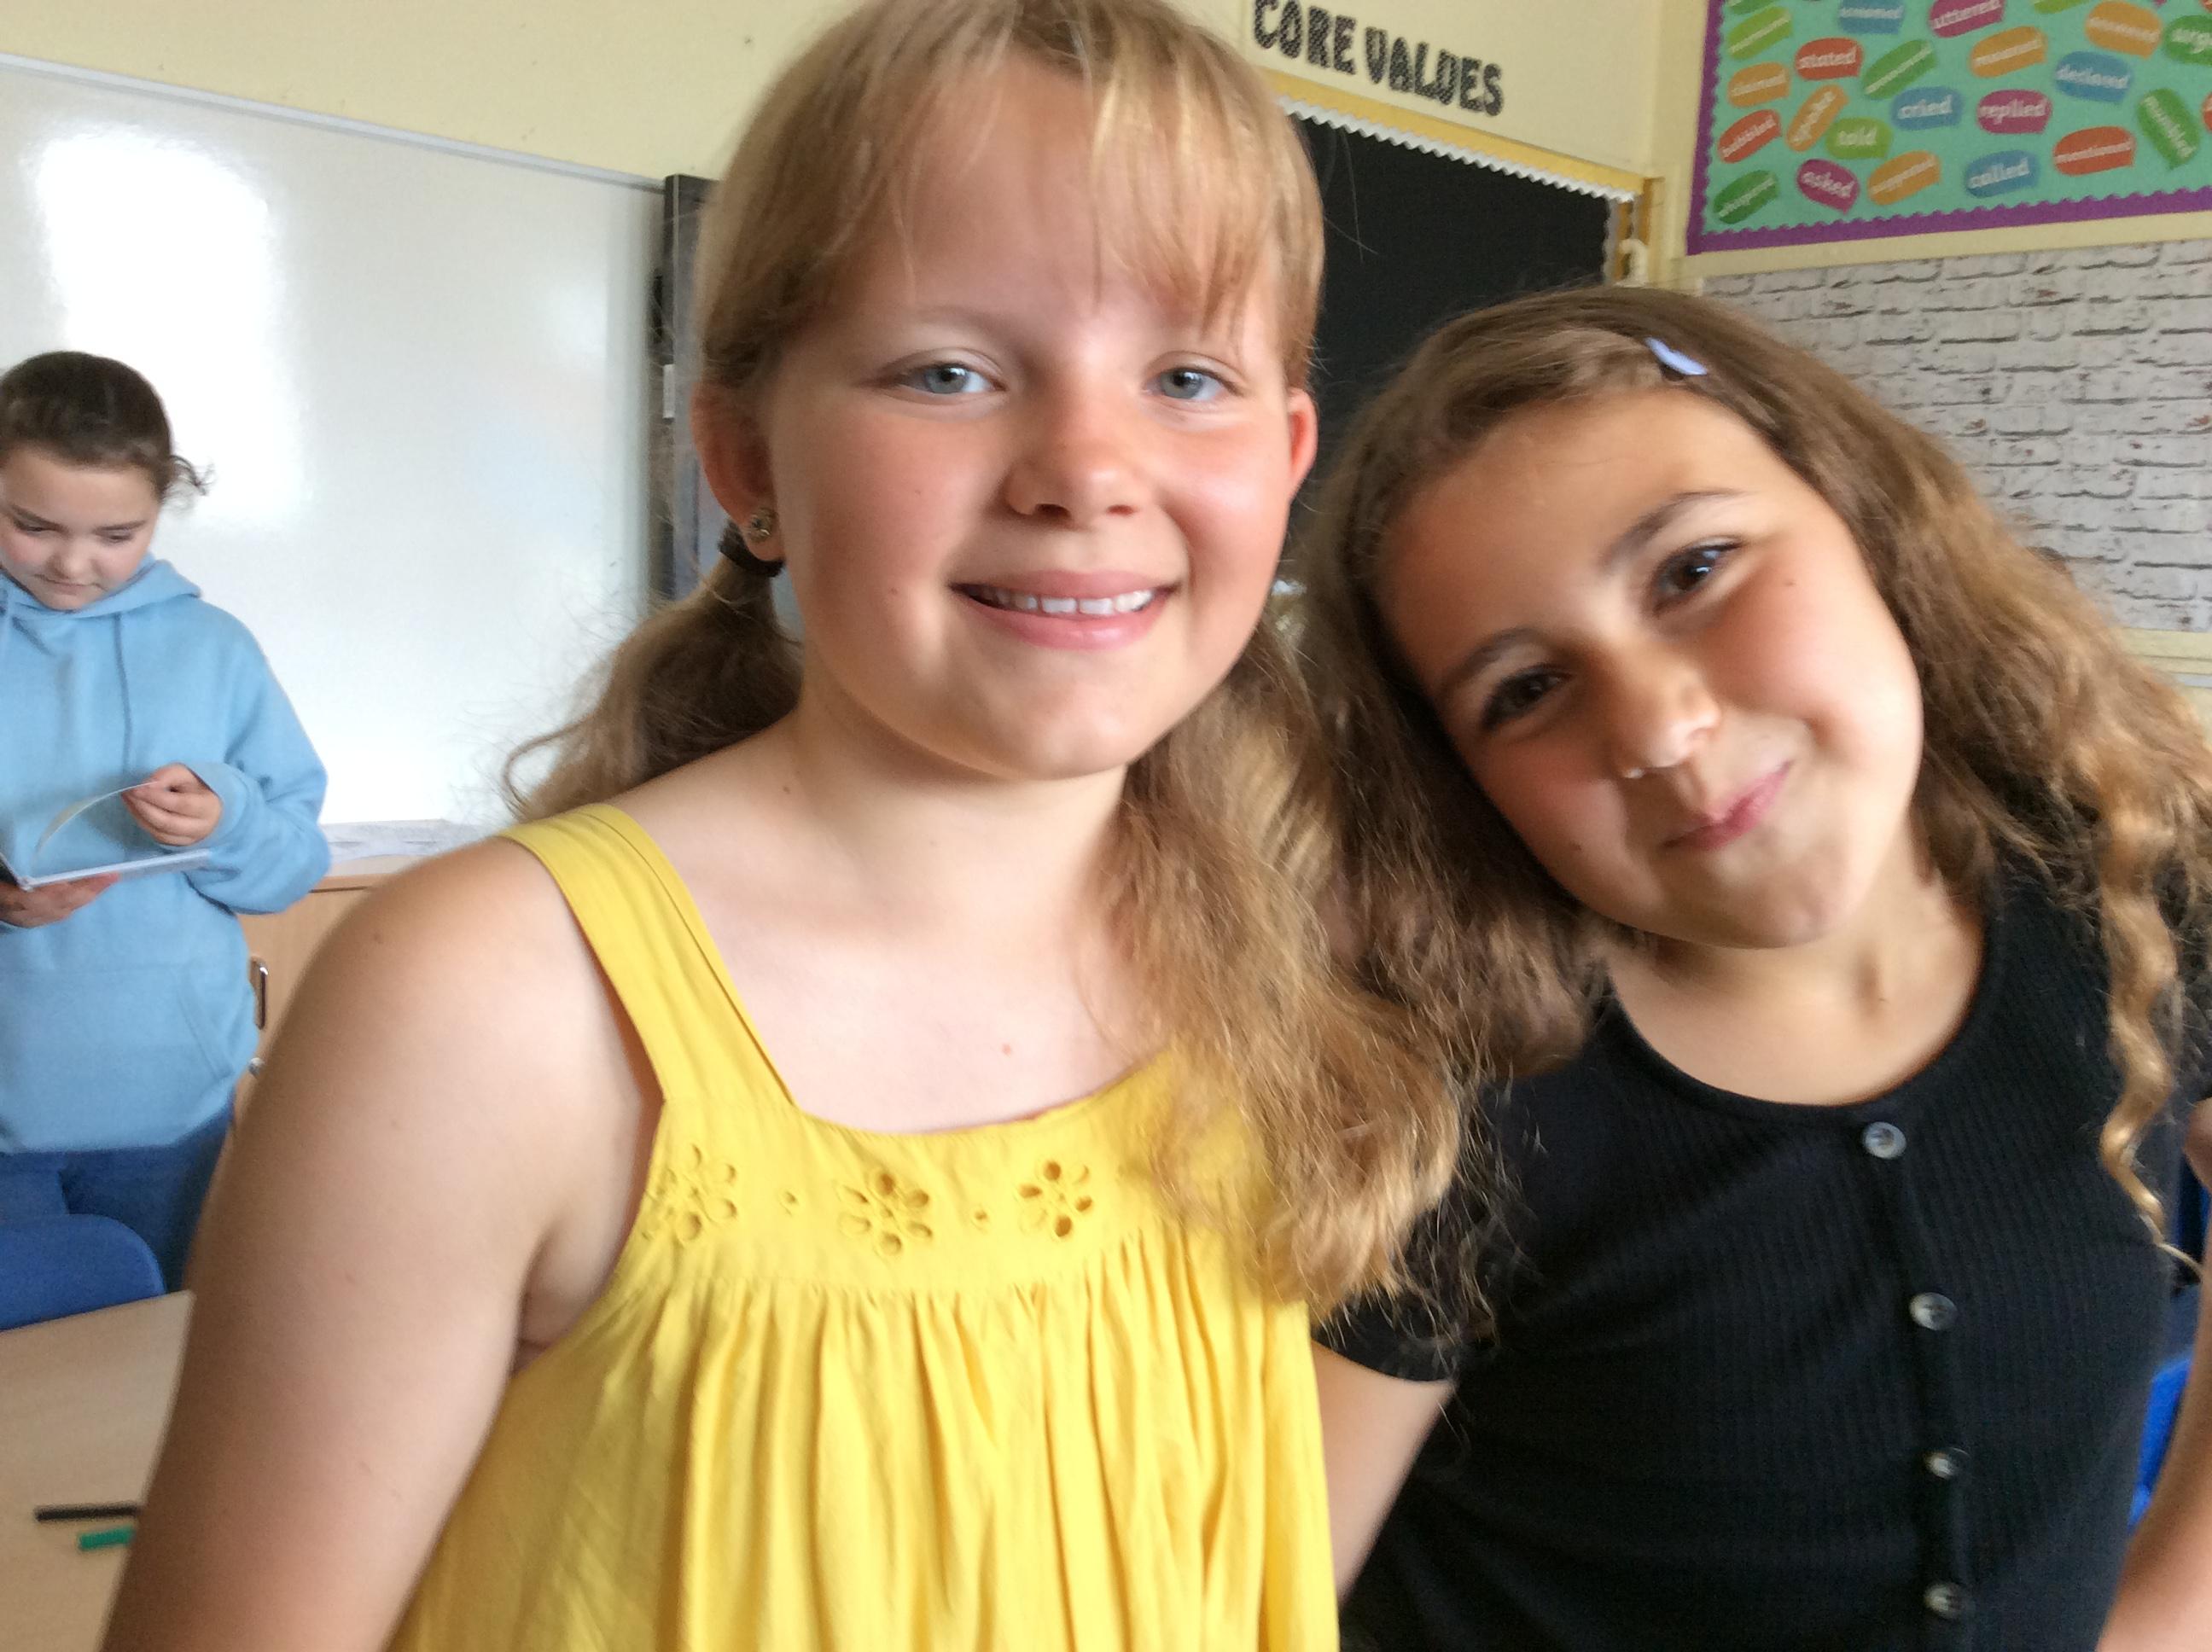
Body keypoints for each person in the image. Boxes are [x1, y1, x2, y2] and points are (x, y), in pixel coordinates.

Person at [101, 2, 1458, 1647]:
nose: (1088, 471)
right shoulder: (490, 1006)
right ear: (744, 458)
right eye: (949, 372)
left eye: (1186, 377)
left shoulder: (1279, 949)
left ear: (1286, 456)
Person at [1297, 286, 2212, 1650]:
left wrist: (2166, 1615)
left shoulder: (2140, 890)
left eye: (1694, 570)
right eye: (1525, 691)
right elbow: (1249, 1600)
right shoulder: (1452, 1104)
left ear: (1871, 524)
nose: (1660, 728)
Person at [0, 350, 329, 1292]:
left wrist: (226, 825)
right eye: (32, 525)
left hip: (169, 1108)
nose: (73, 563)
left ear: (161, 509)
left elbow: (293, 863)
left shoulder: (215, 649)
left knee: (148, 1353)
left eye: (117, 534)